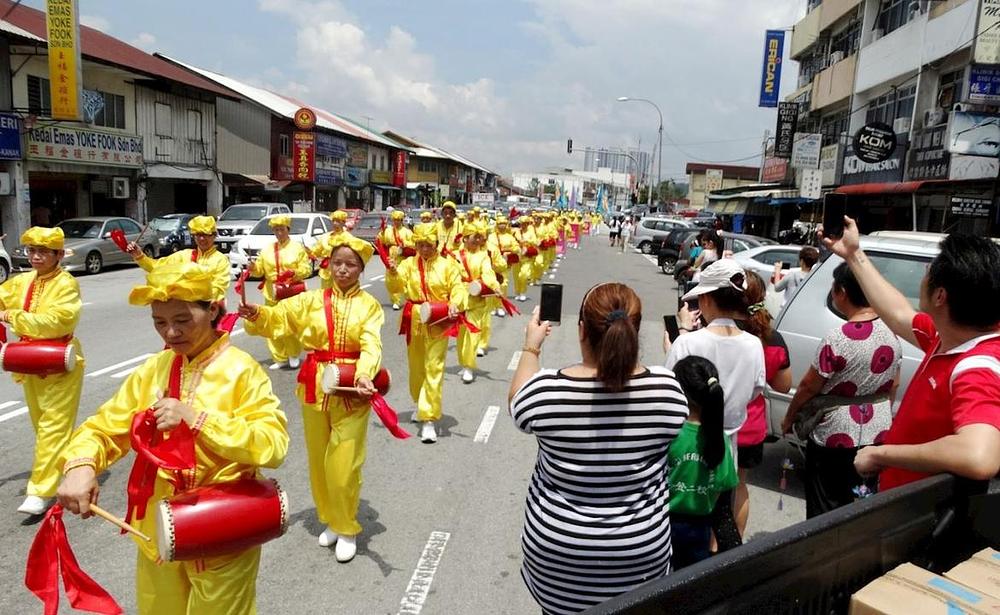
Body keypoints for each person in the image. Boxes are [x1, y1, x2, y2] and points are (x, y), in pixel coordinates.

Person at [57, 261, 289, 615]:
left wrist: (199, 421)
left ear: (212, 310)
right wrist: (81, 463)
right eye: (159, 322)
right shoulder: (155, 369)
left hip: (222, 526)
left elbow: (273, 444)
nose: (170, 333)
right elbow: (104, 427)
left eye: (182, 320)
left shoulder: (242, 371)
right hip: (159, 527)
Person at [509, 284, 688, 615]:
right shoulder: (668, 391)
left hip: (557, 557)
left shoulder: (546, 392)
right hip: (639, 557)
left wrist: (531, 347)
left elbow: (517, 403)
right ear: (634, 333)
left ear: (581, 330)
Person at [821, 219, 1000, 490]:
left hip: (922, 519)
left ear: (940, 296)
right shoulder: (953, 336)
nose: (925, 273)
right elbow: (899, 314)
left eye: (930, 269)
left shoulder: (977, 367)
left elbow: (979, 456)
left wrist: (881, 453)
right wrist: (853, 254)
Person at [240, 234, 383, 563]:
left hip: (350, 389)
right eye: (337, 263)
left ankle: (346, 526)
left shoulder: (369, 306)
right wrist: (257, 314)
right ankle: (329, 518)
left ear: (361, 269)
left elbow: (372, 343)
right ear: (328, 265)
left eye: (350, 264)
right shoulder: (311, 300)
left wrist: (363, 373)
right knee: (318, 461)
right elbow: (281, 316)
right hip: (314, 384)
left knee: (344, 464)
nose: (343, 270)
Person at [779, 262, 901, 517]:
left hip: (834, 433)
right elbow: (895, 383)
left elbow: (808, 386)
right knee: (861, 502)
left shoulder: (839, 337)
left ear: (842, 292)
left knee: (825, 505)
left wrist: (790, 418)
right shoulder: (892, 332)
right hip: (877, 429)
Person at [665, 258, 765, 552]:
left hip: (685, 447)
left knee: (678, 520)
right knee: (721, 518)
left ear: (707, 298)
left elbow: (670, 388)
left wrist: (679, 336)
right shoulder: (752, 344)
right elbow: (756, 390)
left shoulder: (688, 344)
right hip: (726, 449)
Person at [0, 227, 84, 515]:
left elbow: (56, 322)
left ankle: (40, 490)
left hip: (59, 360)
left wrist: (13, 316)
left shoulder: (67, 284)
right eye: (31, 250)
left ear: (58, 255)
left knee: (52, 428)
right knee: (42, 425)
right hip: (30, 361)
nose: (35, 256)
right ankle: (75, 465)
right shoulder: (22, 281)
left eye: (43, 251)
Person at [386, 223, 468, 443]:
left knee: (434, 367)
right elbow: (395, 288)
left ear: (436, 244)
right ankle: (419, 402)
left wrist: (455, 302)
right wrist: (393, 272)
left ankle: (429, 419)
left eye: (428, 245)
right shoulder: (408, 265)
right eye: (420, 245)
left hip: (439, 320)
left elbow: (458, 288)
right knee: (416, 368)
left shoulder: (447, 265)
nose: (424, 249)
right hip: (415, 319)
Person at [735, 271, 792, 535]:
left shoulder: (715, 331)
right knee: (739, 485)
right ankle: (732, 547)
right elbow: (782, 384)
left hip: (714, 423)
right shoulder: (772, 338)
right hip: (750, 427)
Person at [668, 356, 738, 569]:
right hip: (701, 529)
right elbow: (723, 487)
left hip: (666, 526)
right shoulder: (720, 439)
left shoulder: (672, 435)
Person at [247, 215, 312, 370]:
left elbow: (307, 269)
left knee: (290, 325)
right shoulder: (267, 249)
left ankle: (293, 354)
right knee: (272, 324)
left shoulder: (297, 248)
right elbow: (260, 270)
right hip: (272, 292)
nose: (279, 232)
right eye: (276, 230)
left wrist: (293, 273)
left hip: (291, 292)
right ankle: (279, 357)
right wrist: (253, 268)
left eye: (282, 229)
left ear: (288, 230)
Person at [130, 215, 231, 306]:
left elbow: (218, 287)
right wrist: (139, 255)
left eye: (205, 234)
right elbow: (157, 268)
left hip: (210, 311)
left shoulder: (221, 260)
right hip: (185, 310)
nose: (201, 238)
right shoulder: (183, 255)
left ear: (214, 236)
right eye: (198, 234)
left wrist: (195, 300)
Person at [454, 223, 500, 383]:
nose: (478, 240)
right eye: (475, 237)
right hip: (458, 298)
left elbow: (488, 273)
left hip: (476, 297)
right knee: (460, 335)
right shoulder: (455, 255)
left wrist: (494, 286)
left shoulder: (483, 256)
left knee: (472, 334)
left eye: (480, 237)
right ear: (465, 238)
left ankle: (469, 366)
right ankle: (463, 362)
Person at [378, 210, 415, 310]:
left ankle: (400, 300)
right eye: (394, 220)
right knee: (390, 280)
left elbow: (413, 244)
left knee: (401, 278)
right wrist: (382, 232)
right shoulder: (389, 231)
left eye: (399, 220)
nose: (396, 222)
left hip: (402, 258)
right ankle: (394, 299)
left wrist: (404, 244)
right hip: (391, 257)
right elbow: (382, 241)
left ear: (402, 220)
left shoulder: (407, 232)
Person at [311, 210, 353, 289]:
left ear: (343, 223)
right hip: (327, 272)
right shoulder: (325, 236)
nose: (335, 224)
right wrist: (310, 253)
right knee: (326, 294)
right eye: (333, 221)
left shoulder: (348, 238)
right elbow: (316, 251)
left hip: (342, 271)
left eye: (338, 221)